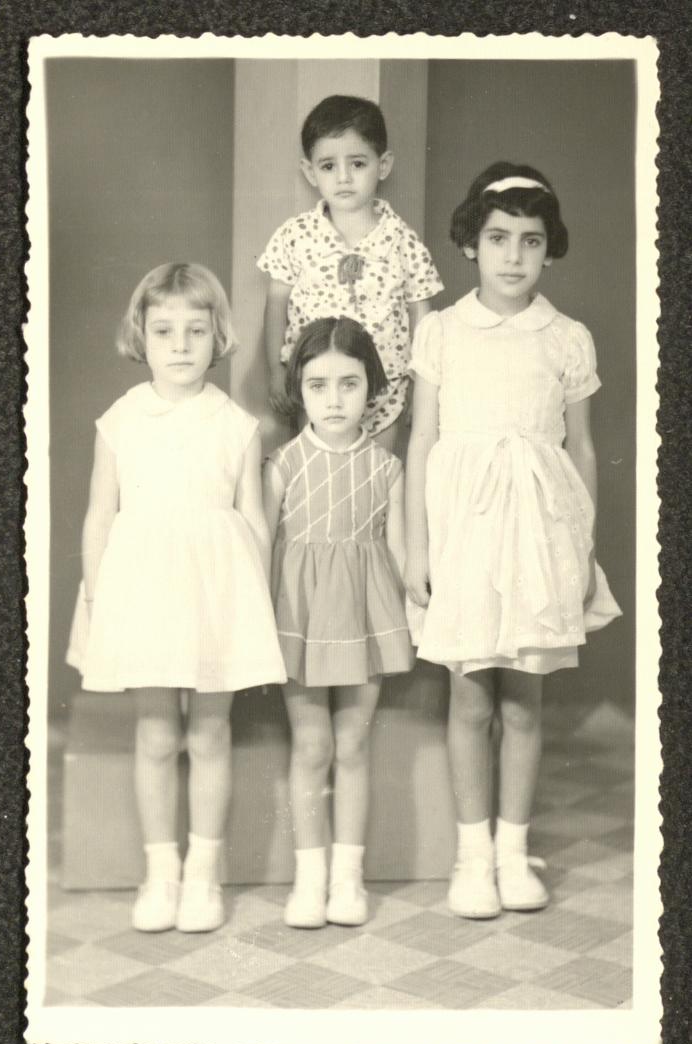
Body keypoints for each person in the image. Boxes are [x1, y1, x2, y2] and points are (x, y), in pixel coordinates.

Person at [404, 163, 621, 919]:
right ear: (471, 243)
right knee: (468, 701)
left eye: (531, 241)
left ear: (549, 251)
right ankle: (471, 857)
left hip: (539, 536)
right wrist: (415, 547)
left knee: (524, 704)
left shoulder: (566, 338)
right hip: (462, 530)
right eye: (498, 238)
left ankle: (511, 848)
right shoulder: (440, 330)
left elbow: (582, 451)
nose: (513, 256)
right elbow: (423, 438)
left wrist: (581, 550)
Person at [66, 263, 286, 933]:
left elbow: (253, 523)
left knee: (210, 732)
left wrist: (254, 605)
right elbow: (101, 513)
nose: (181, 345)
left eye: (196, 330)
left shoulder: (236, 425)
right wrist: (100, 594)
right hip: (144, 594)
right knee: (158, 734)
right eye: (165, 331)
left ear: (218, 335)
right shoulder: (121, 420)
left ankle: (202, 874)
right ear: (142, 335)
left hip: (216, 594)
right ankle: (160, 872)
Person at [263, 316, 413, 928]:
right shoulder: (282, 465)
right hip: (298, 618)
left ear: (371, 389)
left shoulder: (387, 468)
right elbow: (259, 545)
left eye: (348, 384)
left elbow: (401, 553)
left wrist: (423, 609)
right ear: (298, 388)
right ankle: (309, 877)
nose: (333, 399)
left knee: (352, 744)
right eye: (318, 384)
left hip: (363, 616)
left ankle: (348, 881)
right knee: (313, 744)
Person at [258, 94, 443, 452]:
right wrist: (276, 372)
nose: (343, 177)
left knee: (378, 480)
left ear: (383, 165)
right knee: (314, 478)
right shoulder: (295, 237)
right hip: (314, 386)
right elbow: (276, 305)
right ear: (310, 171)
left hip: (384, 392)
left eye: (357, 163)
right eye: (328, 166)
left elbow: (423, 316)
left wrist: (422, 387)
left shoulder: (402, 241)